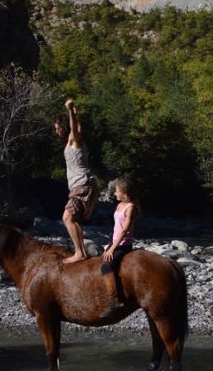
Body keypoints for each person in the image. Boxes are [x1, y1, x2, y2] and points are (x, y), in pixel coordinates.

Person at [55, 99, 98, 264]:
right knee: (75, 220)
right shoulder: (75, 141)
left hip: (81, 185)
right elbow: (78, 127)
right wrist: (76, 115)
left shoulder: (74, 141)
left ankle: (79, 252)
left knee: (67, 218)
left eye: (57, 128)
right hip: (83, 185)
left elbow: (74, 128)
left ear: (64, 127)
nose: (56, 131)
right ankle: (80, 251)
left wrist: (71, 110)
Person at [101, 178, 139, 314]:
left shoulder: (131, 207)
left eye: (117, 191)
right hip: (114, 242)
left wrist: (112, 248)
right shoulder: (119, 205)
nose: (115, 193)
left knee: (106, 265)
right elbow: (116, 227)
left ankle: (113, 301)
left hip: (124, 244)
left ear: (124, 192)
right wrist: (109, 244)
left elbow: (124, 230)